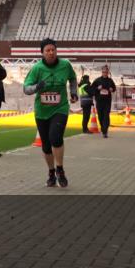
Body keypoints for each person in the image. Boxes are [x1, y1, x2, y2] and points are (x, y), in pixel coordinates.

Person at [23, 38, 78, 188]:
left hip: (60, 108)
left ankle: (60, 169)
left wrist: (74, 93)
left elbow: (73, 79)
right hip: (42, 111)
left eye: (53, 49)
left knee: (55, 137)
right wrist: (37, 87)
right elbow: (26, 88)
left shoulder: (65, 65)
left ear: (56, 50)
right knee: (46, 145)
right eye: (47, 50)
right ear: (42, 53)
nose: (51, 52)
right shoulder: (37, 68)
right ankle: (51, 172)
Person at [89, 65, 116, 138]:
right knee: (100, 116)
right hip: (99, 101)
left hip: (107, 101)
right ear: (102, 72)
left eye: (106, 72)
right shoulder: (97, 80)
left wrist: (112, 89)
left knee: (106, 115)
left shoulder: (110, 80)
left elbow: (114, 88)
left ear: (108, 72)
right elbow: (91, 89)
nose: (105, 73)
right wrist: (97, 88)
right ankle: (103, 128)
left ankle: (105, 130)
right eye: (104, 72)